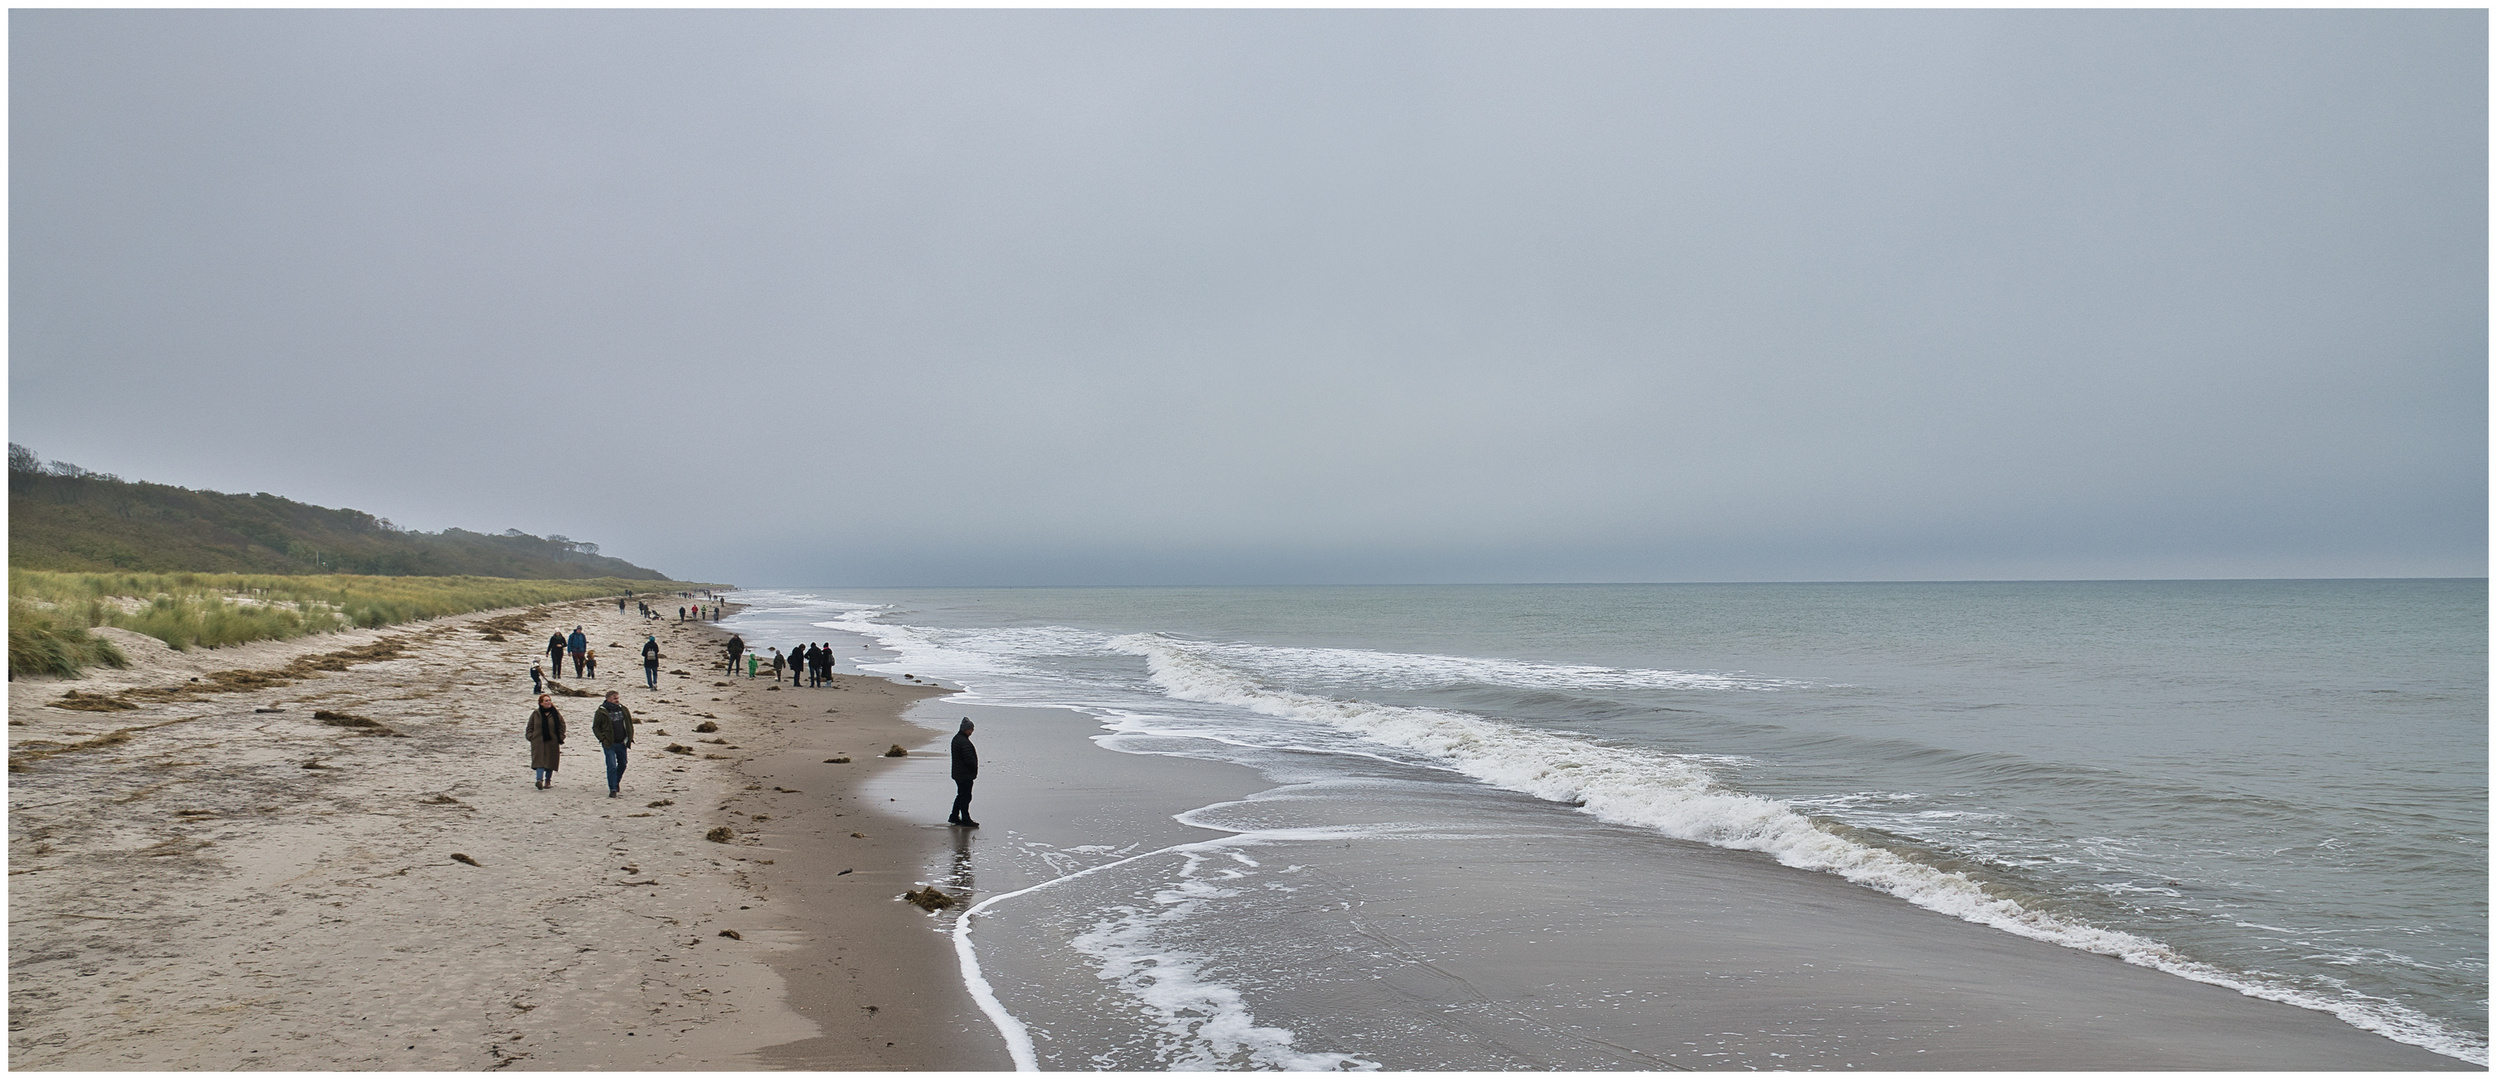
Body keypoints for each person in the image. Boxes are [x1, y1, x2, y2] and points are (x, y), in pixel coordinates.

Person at [591, 690, 635, 798]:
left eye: (617, 698)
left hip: (622, 743)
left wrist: (629, 737)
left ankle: (616, 781)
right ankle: (613, 789)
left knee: (623, 764)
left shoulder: (623, 709)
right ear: (608, 699)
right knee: (611, 766)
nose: (617, 700)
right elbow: (595, 727)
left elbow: (629, 723)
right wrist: (602, 739)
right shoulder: (601, 711)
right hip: (609, 744)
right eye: (615, 698)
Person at [525, 694, 566, 789]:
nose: (548, 702)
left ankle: (548, 781)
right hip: (538, 741)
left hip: (552, 741)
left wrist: (561, 737)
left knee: (550, 760)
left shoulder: (555, 713)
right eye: (546, 701)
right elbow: (530, 726)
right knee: (539, 760)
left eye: (549, 700)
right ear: (541, 703)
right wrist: (530, 737)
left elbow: (562, 725)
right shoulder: (536, 713)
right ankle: (539, 780)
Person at [948, 717, 979, 827]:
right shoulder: (963, 742)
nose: (972, 730)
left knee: (961, 795)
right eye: (971, 728)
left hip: (958, 773)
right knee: (966, 796)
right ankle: (965, 818)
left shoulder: (957, 739)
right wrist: (974, 768)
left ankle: (954, 816)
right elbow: (968, 759)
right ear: (966, 729)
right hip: (964, 774)